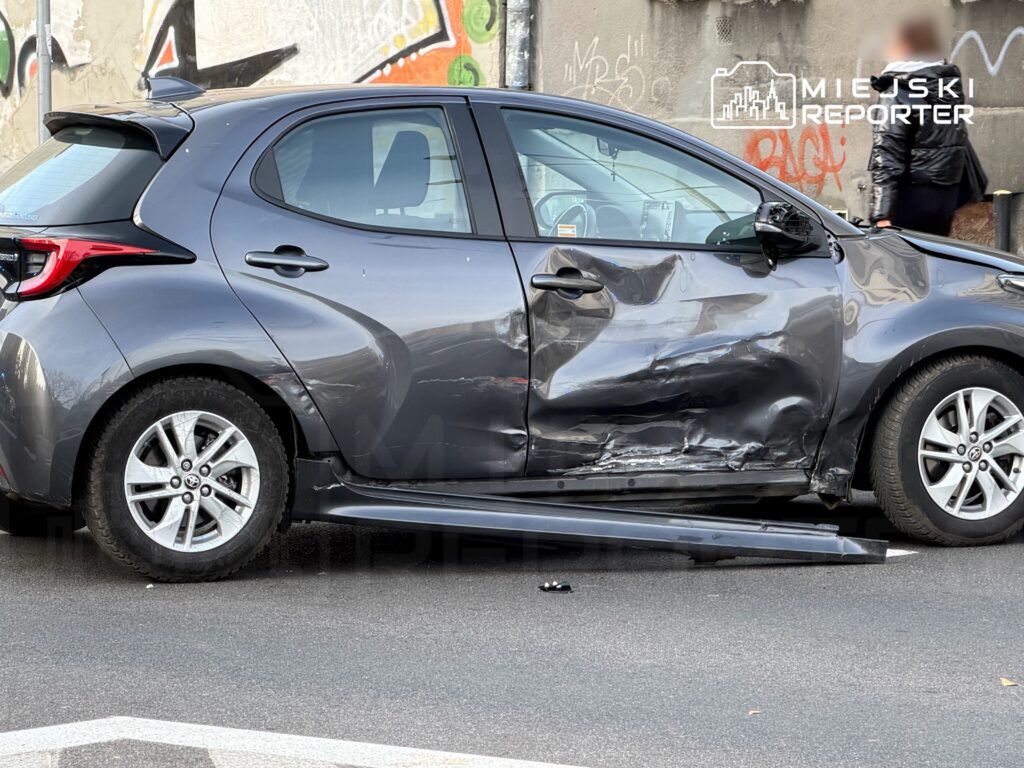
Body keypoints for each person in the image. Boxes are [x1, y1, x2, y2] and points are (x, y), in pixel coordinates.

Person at [868, 16, 968, 235]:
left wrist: (882, 214)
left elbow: (887, 153)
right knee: (935, 258)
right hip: (944, 195)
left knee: (904, 263)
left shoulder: (897, 90)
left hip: (910, 196)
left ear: (905, 47)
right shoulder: (946, 85)